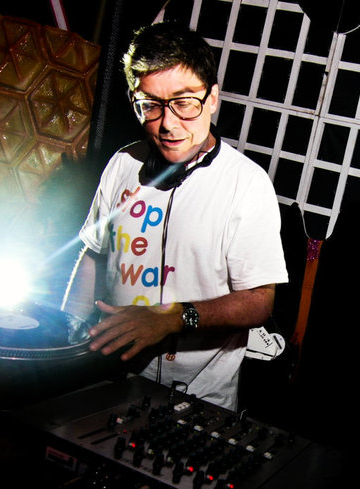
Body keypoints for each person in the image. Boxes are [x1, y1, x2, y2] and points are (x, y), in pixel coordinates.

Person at [61, 22, 288, 411]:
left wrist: (170, 317)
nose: (167, 124)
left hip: (197, 398)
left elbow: (259, 301)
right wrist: (65, 333)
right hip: (108, 380)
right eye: (150, 105)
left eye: (184, 102)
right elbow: (94, 254)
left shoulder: (247, 184)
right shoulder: (123, 164)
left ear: (212, 98)